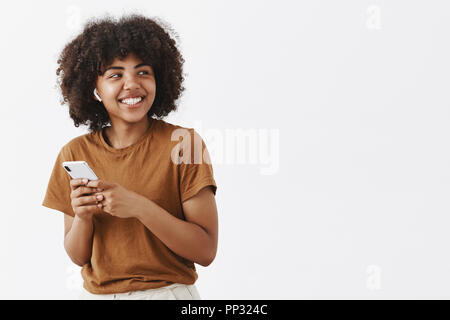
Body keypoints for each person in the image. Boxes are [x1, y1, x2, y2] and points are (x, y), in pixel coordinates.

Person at [42, 13, 218, 300]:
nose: (131, 84)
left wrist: (138, 206)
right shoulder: (75, 152)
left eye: (143, 71)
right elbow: (77, 256)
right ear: (94, 87)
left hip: (168, 294)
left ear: (159, 77)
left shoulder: (184, 144)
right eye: (115, 74)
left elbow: (206, 250)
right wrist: (83, 218)